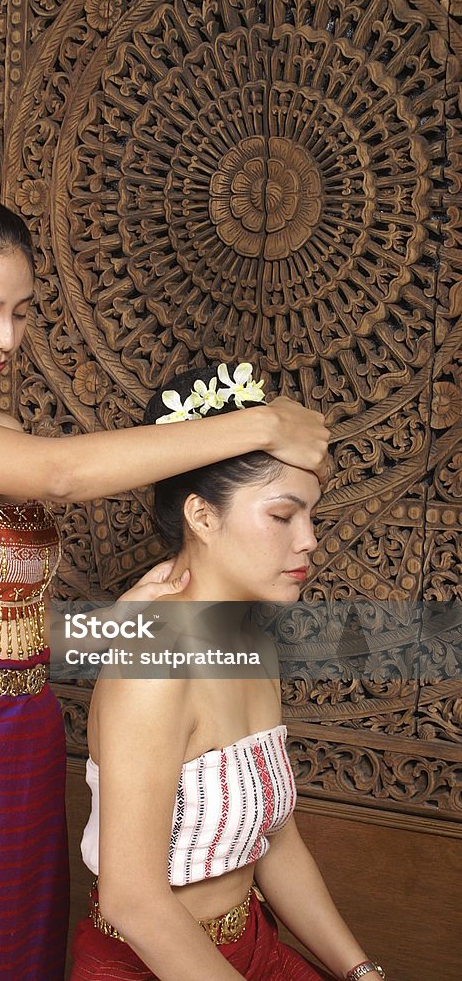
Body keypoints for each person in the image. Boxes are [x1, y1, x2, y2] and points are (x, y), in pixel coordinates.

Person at [0, 179, 328, 981]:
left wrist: (117, 623)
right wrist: (256, 425)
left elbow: (8, 624)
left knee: (27, 955)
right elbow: (59, 476)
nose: (7, 338)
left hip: (27, 732)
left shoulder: (0, 430)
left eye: (21, 313)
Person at [70, 366, 387, 981]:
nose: (310, 541)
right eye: (282, 517)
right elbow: (132, 901)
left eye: (312, 518)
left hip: (254, 946)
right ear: (202, 516)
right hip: (146, 964)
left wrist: (361, 972)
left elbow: (276, 841)